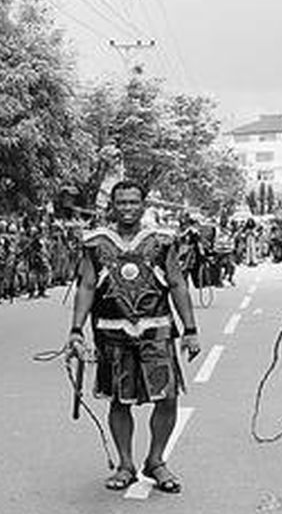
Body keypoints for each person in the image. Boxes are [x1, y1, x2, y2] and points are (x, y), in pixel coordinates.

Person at [66, 180, 202, 493]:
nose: (127, 208)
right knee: (118, 399)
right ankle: (126, 464)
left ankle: (155, 461)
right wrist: (75, 330)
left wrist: (191, 330)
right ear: (112, 206)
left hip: (157, 329)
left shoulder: (162, 241)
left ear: (143, 204)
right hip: (112, 332)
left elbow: (177, 283)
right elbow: (87, 286)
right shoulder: (95, 242)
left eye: (133, 202)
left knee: (167, 397)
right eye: (121, 202)